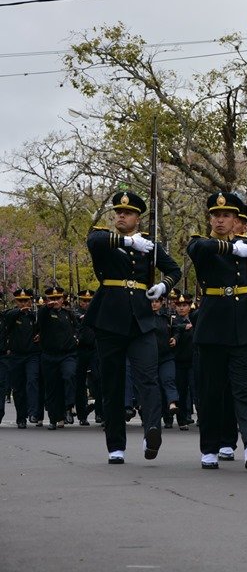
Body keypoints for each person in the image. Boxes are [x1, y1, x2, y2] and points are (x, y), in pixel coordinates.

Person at [86, 191, 182, 464]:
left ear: (138, 218)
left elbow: (174, 269)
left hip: (141, 318)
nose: (120, 216)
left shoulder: (149, 244)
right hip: (109, 318)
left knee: (148, 377)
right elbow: (93, 241)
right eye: (118, 212)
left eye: (127, 213)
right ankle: (116, 445)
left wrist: (163, 286)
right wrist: (128, 242)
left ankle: (152, 429)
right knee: (113, 383)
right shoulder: (104, 238)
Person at [187, 191, 247, 470]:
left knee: (245, 386)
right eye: (215, 215)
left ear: (238, 221)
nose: (220, 220)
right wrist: (230, 249)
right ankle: (210, 447)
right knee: (211, 390)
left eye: (226, 215)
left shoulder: (246, 247)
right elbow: (199, 251)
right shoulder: (202, 243)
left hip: (242, 323)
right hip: (214, 322)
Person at [36, 286, 78, 430]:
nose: (56, 301)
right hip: (49, 355)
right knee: (52, 387)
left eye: (58, 298)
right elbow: (39, 321)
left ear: (63, 299)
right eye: (52, 298)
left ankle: (68, 407)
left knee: (69, 375)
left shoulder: (68, 314)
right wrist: (46, 307)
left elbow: (78, 328)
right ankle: (55, 419)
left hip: (67, 354)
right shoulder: (45, 313)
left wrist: (77, 338)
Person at [1, 288, 38, 429]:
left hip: (32, 355)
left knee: (32, 380)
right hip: (15, 356)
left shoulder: (34, 316)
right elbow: (8, 317)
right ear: (15, 301)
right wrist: (19, 311)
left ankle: (33, 412)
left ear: (30, 300)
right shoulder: (11, 315)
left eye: (26, 300)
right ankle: (21, 417)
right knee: (18, 388)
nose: (23, 303)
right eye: (20, 301)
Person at [150, 297, 179, 429]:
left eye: (157, 301)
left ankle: (172, 405)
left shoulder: (168, 317)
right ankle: (151, 417)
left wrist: (175, 338)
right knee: (153, 387)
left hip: (166, 356)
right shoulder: (144, 317)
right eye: (152, 302)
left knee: (168, 380)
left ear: (161, 303)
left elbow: (176, 329)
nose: (154, 304)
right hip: (149, 358)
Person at [73, 289, 100, 426]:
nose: (87, 303)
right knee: (80, 383)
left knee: (98, 380)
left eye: (89, 301)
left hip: (95, 350)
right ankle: (81, 414)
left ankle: (100, 413)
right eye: (84, 301)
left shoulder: (98, 312)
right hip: (80, 350)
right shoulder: (75, 313)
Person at [170, 292, 196, 430]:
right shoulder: (173, 321)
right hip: (178, 361)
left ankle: (200, 418)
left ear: (189, 307)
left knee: (195, 389)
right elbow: (174, 332)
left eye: (184, 305)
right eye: (179, 305)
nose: (181, 308)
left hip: (193, 361)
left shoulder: (194, 319)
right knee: (180, 391)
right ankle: (182, 420)